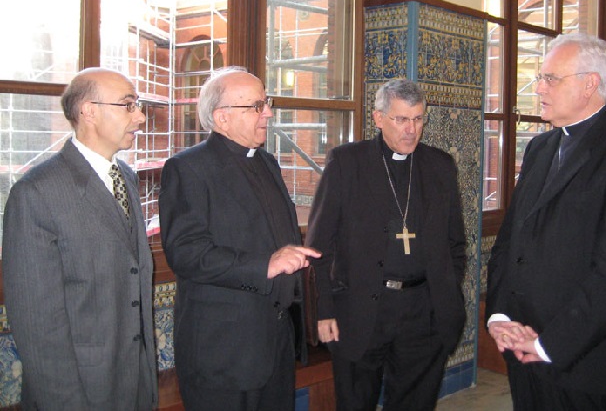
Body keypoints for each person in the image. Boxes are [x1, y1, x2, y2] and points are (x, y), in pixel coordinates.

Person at [486, 33, 606, 411]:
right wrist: (499, 315)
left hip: (589, 362)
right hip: (524, 350)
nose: (538, 88)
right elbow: (511, 242)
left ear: (590, 83)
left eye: (550, 79)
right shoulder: (540, 148)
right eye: (540, 78)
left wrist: (549, 344)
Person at [158, 66, 321, 411]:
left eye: (267, 103)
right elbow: (186, 253)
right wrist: (267, 263)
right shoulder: (188, 169)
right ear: (222, 118)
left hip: (275, 344)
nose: (269, 113)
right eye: (257, 106)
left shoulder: (268, 163)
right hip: (224, 351)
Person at [306, 78, 467, 411]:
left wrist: (445, 294)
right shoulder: (347, 163)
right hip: (361, 311)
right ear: (378, 118)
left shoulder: (440, 166)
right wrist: (324, 311)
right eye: (400, 119)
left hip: (424, 314)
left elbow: (455, 243)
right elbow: (319, 245)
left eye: (418, 119)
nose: (411, 129)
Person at [2, 67, 158, 410]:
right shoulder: (36, 192)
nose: (141, 117)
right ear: (89, 110)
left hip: (134, 384)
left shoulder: (126, 177)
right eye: (128, 105)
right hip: (79, 393)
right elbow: (37, 324)